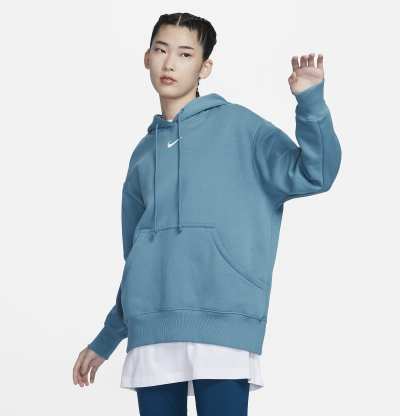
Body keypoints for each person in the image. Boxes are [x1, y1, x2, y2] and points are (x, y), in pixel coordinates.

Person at [73, 12, 342, 416]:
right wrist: (109, 336)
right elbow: (136, 258)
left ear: (205, 67)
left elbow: (316, 173)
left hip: (223, 324)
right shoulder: (143, 155)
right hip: (152, 330)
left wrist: (311, 102)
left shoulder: (241, 128)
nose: (170, 63)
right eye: (161, 50)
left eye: (185, 54)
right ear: (146, 58)